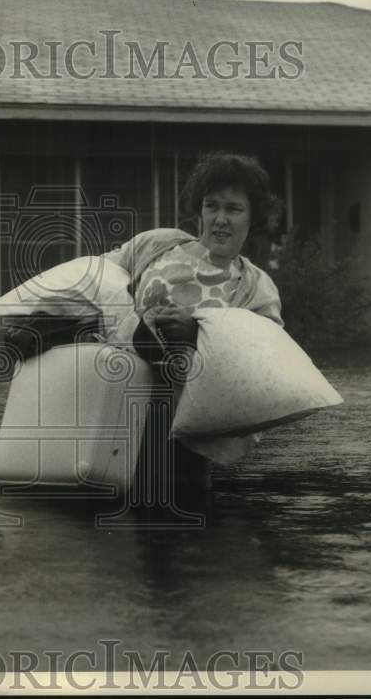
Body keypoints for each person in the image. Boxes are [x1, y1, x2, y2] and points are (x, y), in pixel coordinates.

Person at [102, 152, 283, 493]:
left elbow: (262, 364)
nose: (220, 219)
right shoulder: (156, 245)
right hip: (113, 405)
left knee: (173, 519)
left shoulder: (256, 288)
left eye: (234, 209)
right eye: (211, 206)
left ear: (253, 217)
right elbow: (96, 278)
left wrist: (198, 334)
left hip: (180, 432)